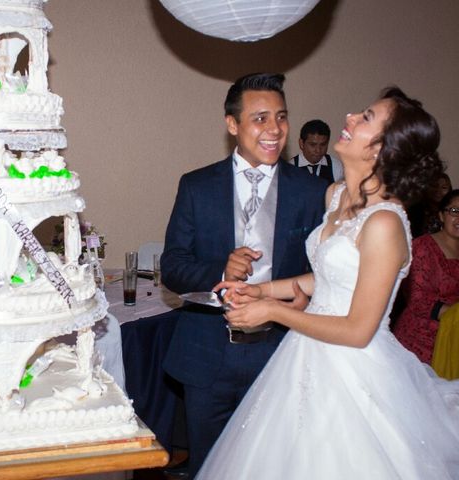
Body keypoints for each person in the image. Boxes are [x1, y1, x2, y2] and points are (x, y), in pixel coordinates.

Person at [196, 87, 459, 479]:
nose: (351, 117)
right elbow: (328, 279)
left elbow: (357, 330)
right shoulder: (335, 196)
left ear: (382, 150)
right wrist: (264, 290)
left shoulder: (385, 223)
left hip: (354, 371)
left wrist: (272, 311)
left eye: (366, 117)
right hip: (306, 353)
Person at [160, 73, 328, 478]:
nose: (275, 130)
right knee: (209, 466)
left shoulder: (310, 191)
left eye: (282, 118)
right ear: (232, 124)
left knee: (274, 466)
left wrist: (303, 296)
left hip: (280, 353)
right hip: (208, 357)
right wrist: (219, 269)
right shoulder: (197, 186)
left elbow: (323, 271)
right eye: (261, 118)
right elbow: (173, 266)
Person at [393, 189, 459, 363]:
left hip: (454, 339)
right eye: (454, 211)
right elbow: (418, 299)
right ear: (441, 215)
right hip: (420, 342)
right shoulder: (423, 246)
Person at [290, 119, 344, 183]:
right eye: (313, 145)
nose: (318, 150)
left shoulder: (336, 166)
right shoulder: (290, 167)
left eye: (323, 145)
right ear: (301, 143)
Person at [408, 172, 453, 237]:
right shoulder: (415, 209)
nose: (438, 191)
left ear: (449, 190)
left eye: (444, 188)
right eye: (434, 186)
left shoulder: (452, 210)